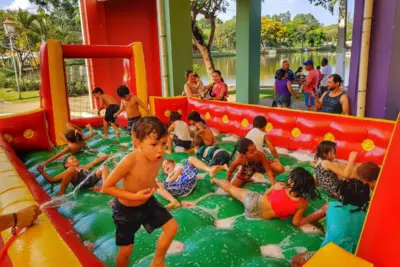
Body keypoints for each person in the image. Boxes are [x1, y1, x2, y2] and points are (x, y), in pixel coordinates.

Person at [101, 117, 178, 267]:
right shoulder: (130, 160)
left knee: (172, 228)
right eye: (154, 144)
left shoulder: (158, 157)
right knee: (126, 250)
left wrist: (153, 183)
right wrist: (133, 196)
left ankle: (157, 262)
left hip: (147, 202)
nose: (160, 149)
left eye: (163, 143)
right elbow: (106, 187)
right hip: (126, 210)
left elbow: (147, 175)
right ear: (138, 143)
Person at [291, 179, 371, 267]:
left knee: (296, 260)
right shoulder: (367, 216)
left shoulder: (330, 206)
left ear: (342, 195)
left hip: (328, 257)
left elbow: (304, 221)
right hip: (352, 259)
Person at [211, 167, 319, 224]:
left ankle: (215, 179)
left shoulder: (280, 186)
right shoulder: (303, 203)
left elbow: (266, 195)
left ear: (294, 182)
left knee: (232, 188)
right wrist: (307, 220)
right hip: (258, 217)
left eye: (291, 177)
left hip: (254, 201)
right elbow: (296, 222)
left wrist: (272, 188)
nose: (289, 178)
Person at [37, 154, 110, 195]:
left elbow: (95, 161)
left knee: (104, 167)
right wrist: (42, 171)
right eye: (72, 158)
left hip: (92, 180)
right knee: (71, 169)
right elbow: (52, 180)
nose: (75, 159)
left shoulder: (83, 167)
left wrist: (108, 156)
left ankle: (105, 187)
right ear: (67, 164)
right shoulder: (69, 171)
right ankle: (60, 195)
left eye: (75, 158)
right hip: (82, 183)